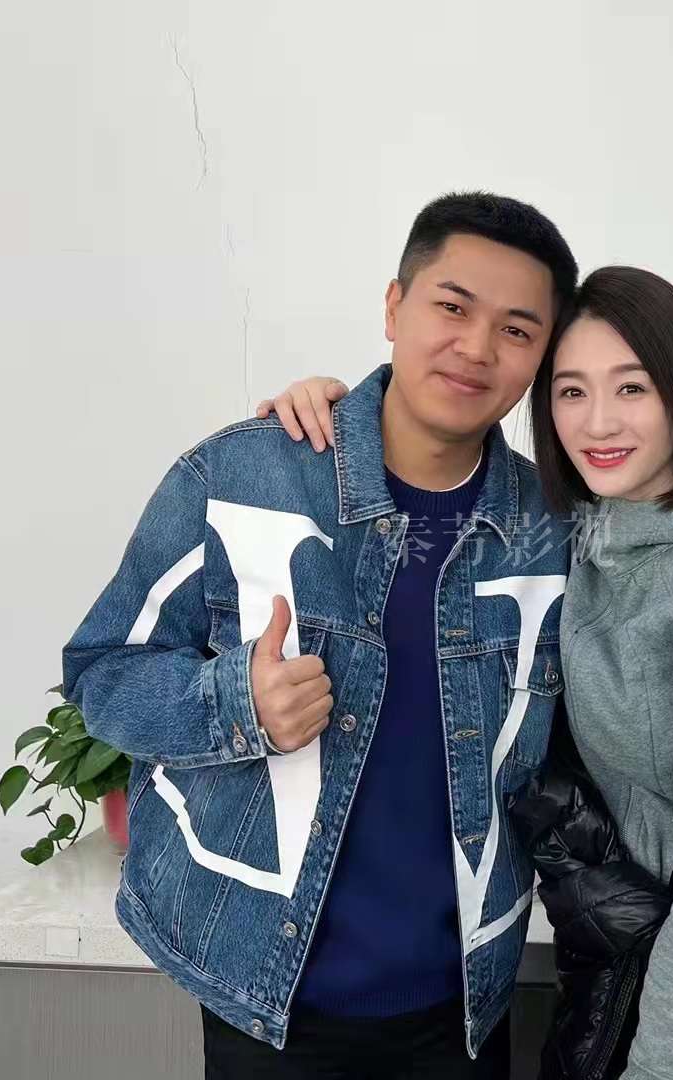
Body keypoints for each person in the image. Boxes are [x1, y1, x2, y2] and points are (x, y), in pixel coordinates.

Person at [260, 265, 673, 1080]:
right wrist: (336, 419)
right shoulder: (597, 529)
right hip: (622, 970)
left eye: (632, 388)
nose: (598, 422)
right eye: (571, 392)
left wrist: (653, 1071)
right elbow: (437, 488)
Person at [62, 191, 579, 1079]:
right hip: (260, 992)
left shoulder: (551, 532)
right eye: (452, 307)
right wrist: (235, 703)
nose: (477, 348)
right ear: (394, 307)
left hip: (463, 1005)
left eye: (517, 330)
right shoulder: (241, 475)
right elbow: (102, 671)